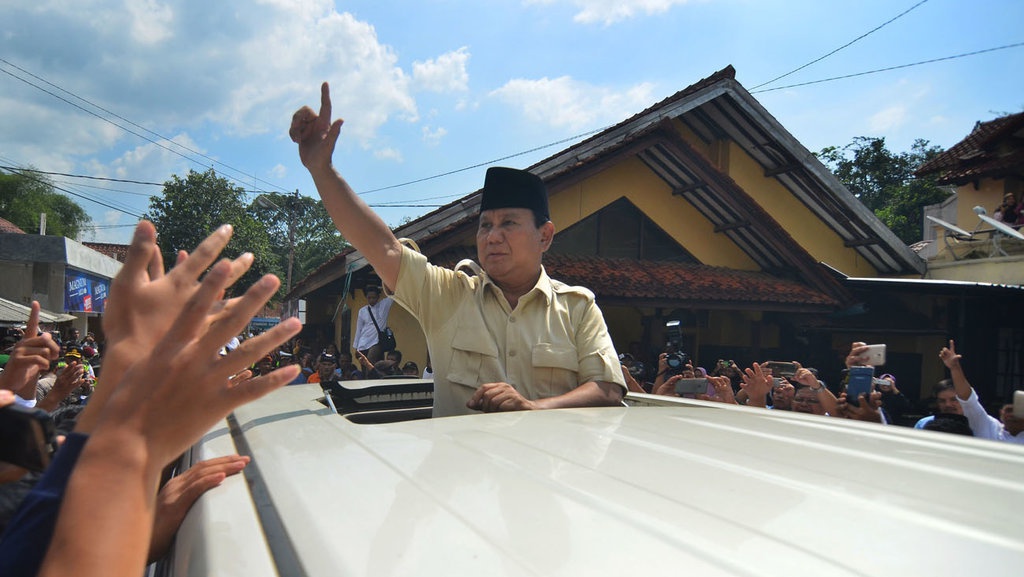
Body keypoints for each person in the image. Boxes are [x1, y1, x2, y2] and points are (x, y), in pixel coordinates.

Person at [291, 83, 625, 417]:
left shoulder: (578, 309)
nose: (492, 236)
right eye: (485, 225)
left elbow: (607, 388)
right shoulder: (449, 297)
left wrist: (534, 407)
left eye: (508, 223)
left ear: (545, 236)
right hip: (458, 469)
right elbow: (384, 249)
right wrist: (322, 171)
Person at [939, 339, 1024, 443]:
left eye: (1018, 412)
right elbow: (967, 399)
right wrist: (954, 367)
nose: (1012, 416)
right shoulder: (989, 427)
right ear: (1001, 412)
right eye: (1009, 410)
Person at [353, 286, 394, 364]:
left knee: (370, 360)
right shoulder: (362, 311)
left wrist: (385, 286)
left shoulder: (384, 305)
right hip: (363, 342)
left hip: (377, 341)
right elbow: (359, 329)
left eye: (374, 297)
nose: (371, 300)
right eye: (369, 298)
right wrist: (356, 347)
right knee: (364, 364)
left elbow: (393, 294)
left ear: (378, 297)